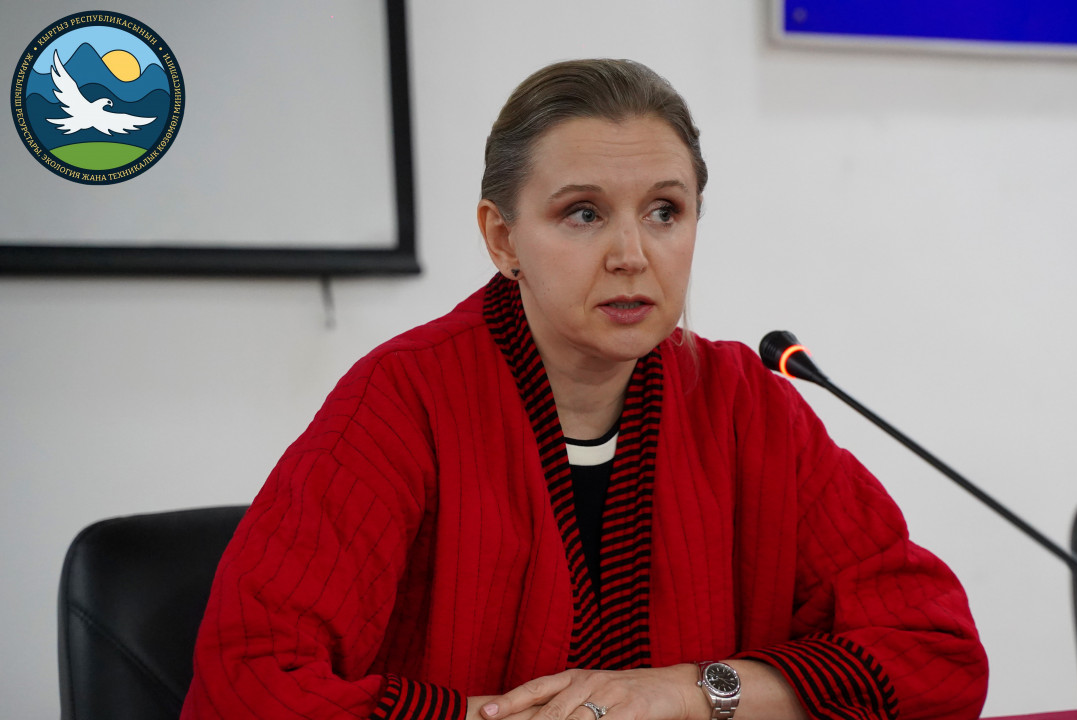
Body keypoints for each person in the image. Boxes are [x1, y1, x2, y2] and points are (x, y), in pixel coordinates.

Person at [181, 59, 988, 720]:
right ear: (503, 238)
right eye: (583, 214)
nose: (632, 253)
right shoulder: (401, 402)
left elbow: (935, 654)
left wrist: (689, 693)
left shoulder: (749, 405)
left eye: (665, 211)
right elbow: (250, 683)